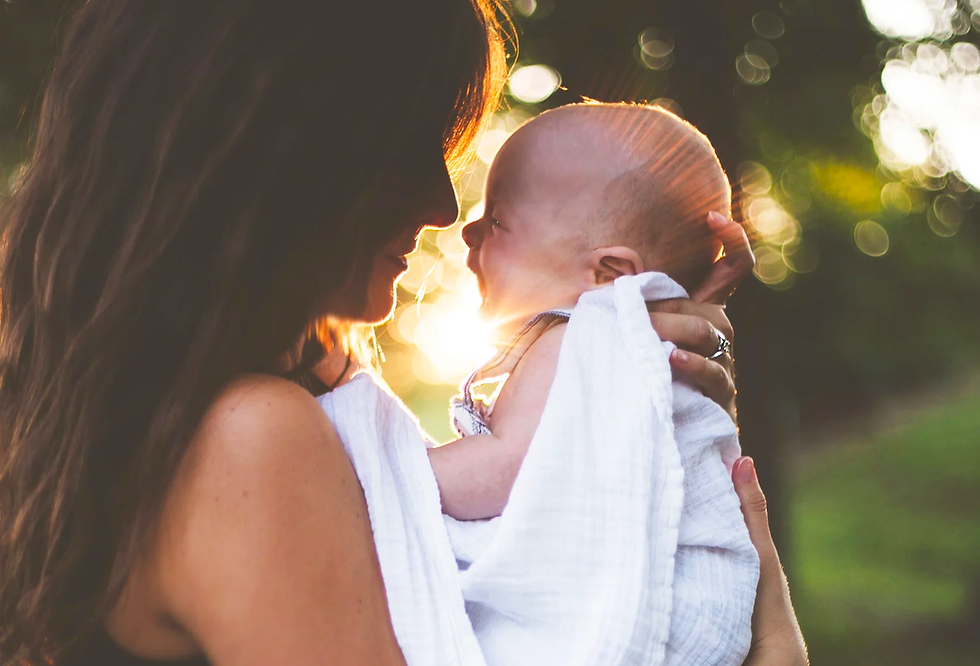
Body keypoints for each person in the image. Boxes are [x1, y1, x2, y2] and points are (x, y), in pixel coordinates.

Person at [0, 2, 807, 665]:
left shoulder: (119, 411)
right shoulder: (255, 438)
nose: (442, 209)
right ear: (288, 154)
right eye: (408, 151)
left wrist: (627, 343)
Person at [426, 102, 758, 665]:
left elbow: (504, 473)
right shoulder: (622, 350)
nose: (467, 229)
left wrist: (383, 464)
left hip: (660, 619)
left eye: (498, 220)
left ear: (608, 276)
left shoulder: (578, 336)